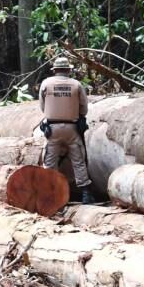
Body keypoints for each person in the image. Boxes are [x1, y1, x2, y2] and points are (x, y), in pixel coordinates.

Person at [38, 57, 95, 204]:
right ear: (69, 70)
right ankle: (85, 194)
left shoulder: (46, 84)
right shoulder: (76, 85)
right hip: (72, 128)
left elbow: (42, 107)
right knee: (78, 160)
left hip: (52, 129)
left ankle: (50, 194)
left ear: (55, 70)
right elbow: (84, 108)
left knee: (50, 162)